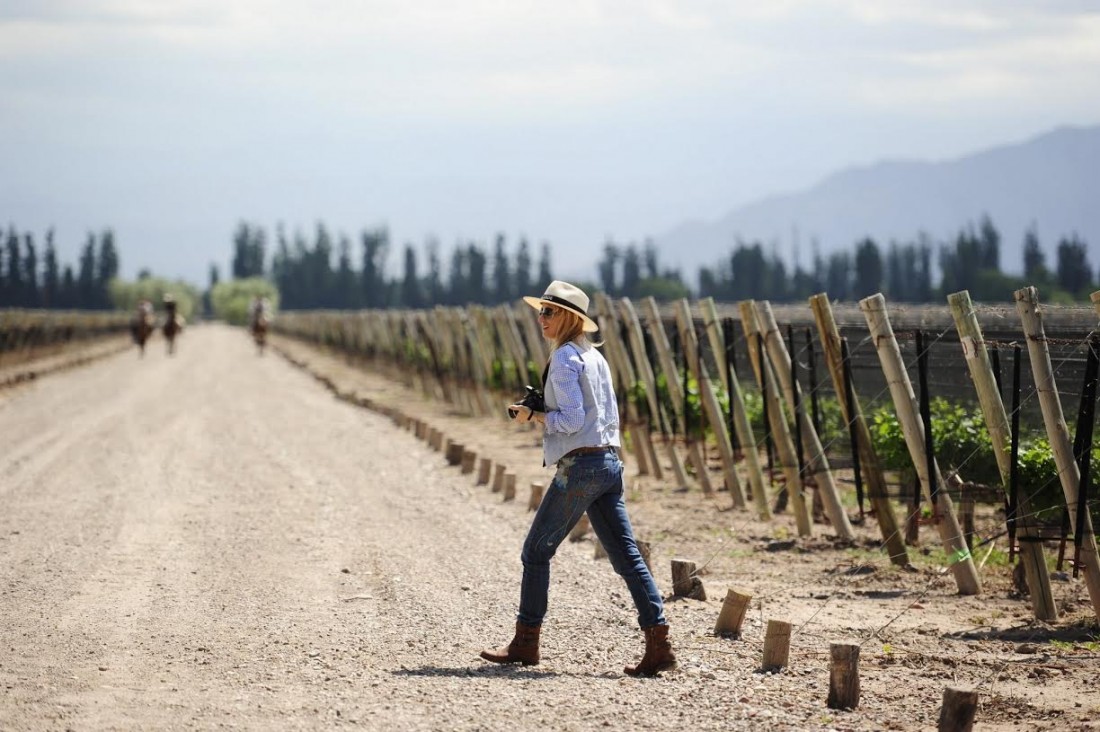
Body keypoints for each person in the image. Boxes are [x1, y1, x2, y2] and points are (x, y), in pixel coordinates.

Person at [480, 280, 676, 677]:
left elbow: (569, 421)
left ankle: (525, 642)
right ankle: (659, 645)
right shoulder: (594, 358)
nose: (541, 318)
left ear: (569, 317)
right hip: (608, 465)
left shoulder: (566, 360)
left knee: (536, 552)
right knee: (628, 560)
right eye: (540, 310)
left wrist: (531, 415)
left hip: (581, 469)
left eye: (549, 312)